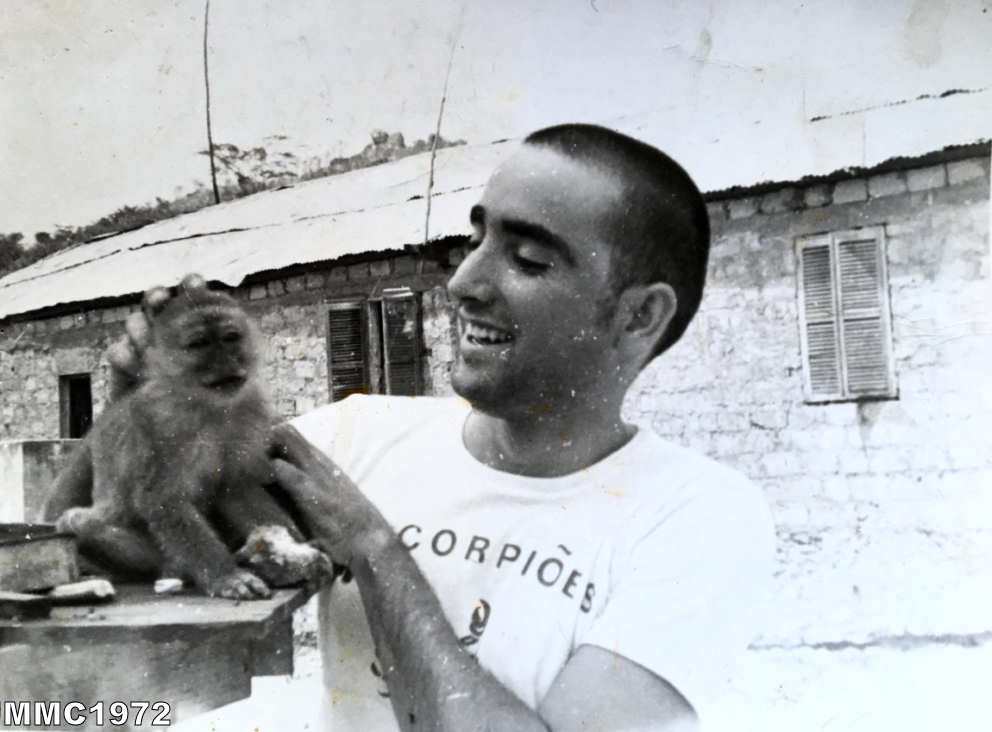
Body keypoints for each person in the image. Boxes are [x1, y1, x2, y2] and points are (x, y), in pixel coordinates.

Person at [117, 124, 774, 731]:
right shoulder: (355, 436)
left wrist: (373, 547)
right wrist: (143, 396)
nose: (462, 281)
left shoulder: (696, 517)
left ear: (638, 317)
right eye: (475, 241)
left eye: (528, 259)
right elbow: (150, 513)